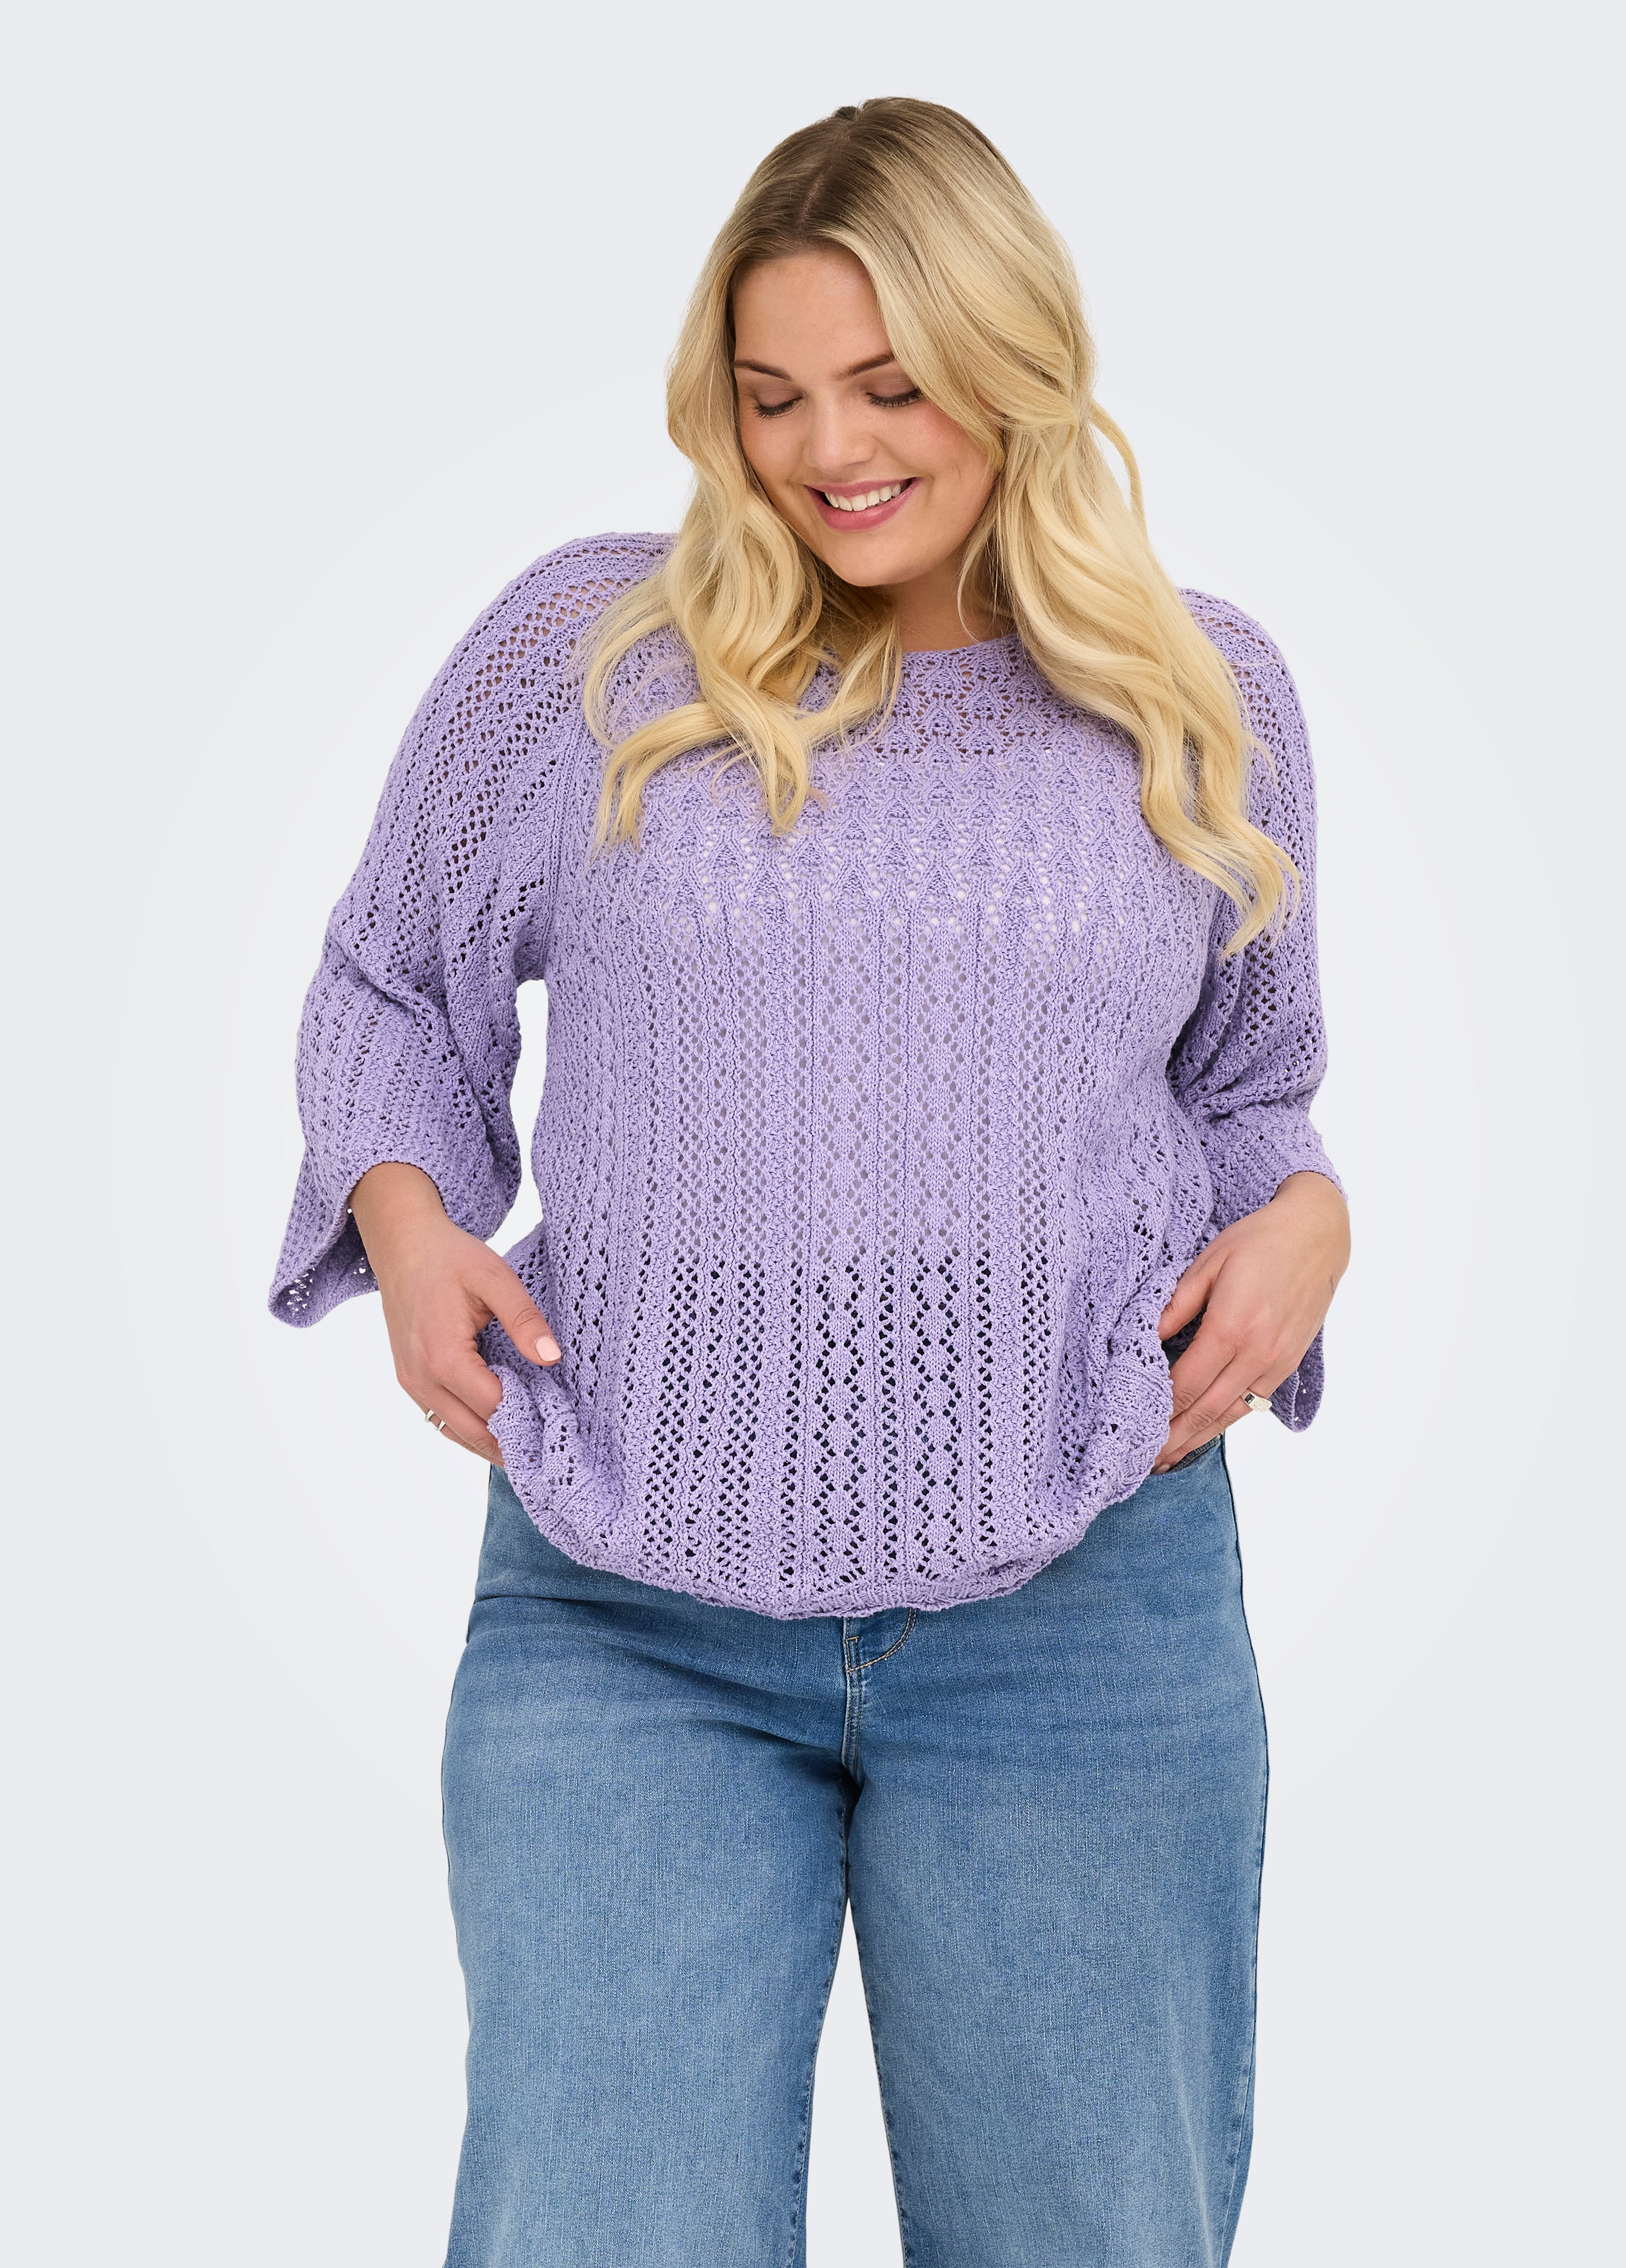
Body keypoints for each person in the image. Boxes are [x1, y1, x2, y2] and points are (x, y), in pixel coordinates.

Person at [271, 96, 1349, 2268]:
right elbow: (391, 980)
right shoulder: (589, 655)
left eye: (888, 385)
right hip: (627, 1600)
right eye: (770, 396)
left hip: (1085, 1598)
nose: (827, 451)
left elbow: (1251, 1094)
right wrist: (404, 1215)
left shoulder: (1195, 691)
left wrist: (1311, 1222)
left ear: (1013, 363)